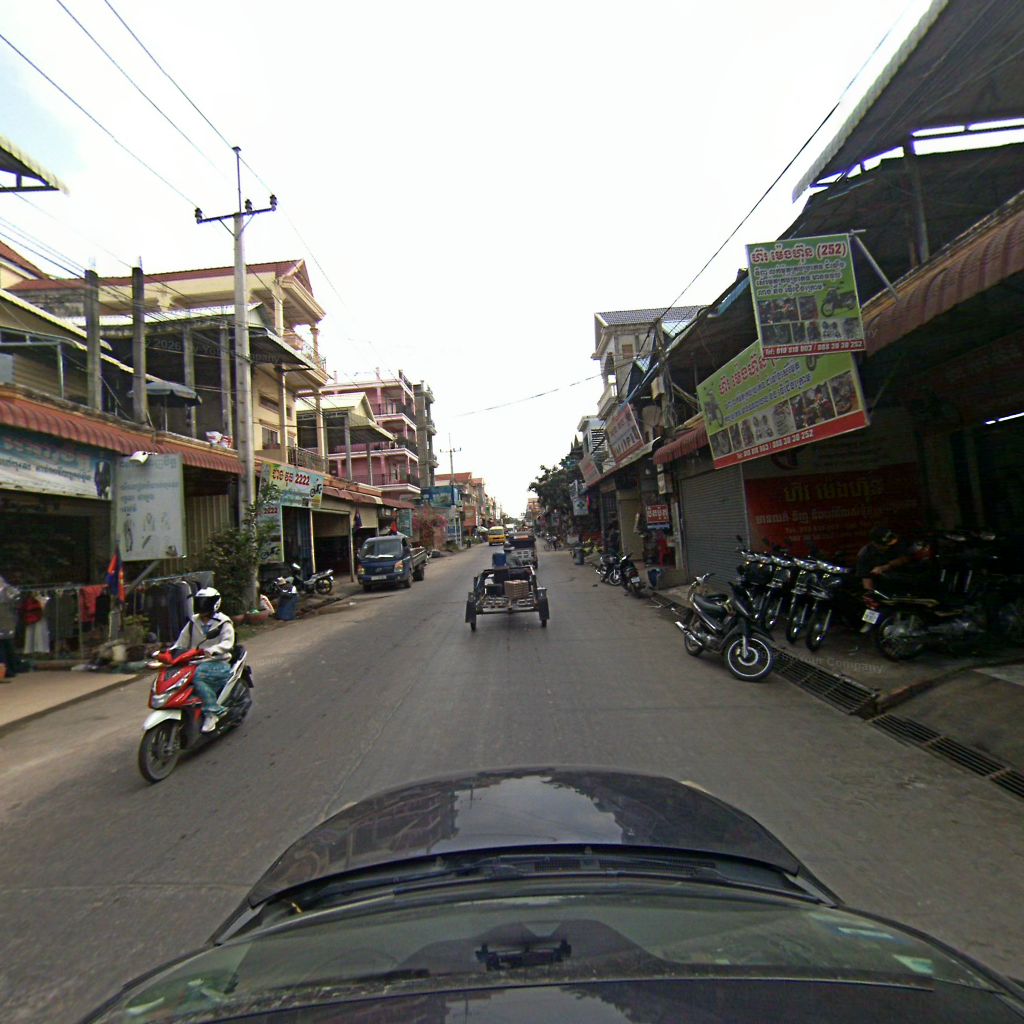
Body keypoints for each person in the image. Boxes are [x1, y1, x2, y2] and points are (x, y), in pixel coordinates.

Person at [168, 586, 235, 732]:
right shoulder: (193, 622)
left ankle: (212, 712)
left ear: (214, 604)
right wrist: (169, 653)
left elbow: (228, 643)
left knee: (197, 675)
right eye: (199, 602)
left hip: (218, 662)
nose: (202, 606)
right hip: (195, 662)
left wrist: (212, 650)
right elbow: (181, 642)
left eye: (205, 602)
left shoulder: (223, 622)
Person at [855, 526, 910, 591]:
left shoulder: (898, 542)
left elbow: (908, 558)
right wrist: (870, 593)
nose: (888, 546)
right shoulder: (865, 553)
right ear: (875, 543)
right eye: (884, 545)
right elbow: (866, 579)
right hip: (884, 587)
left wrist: (885, 567)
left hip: (908, 579)